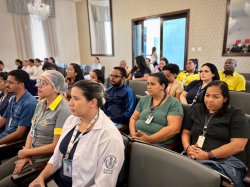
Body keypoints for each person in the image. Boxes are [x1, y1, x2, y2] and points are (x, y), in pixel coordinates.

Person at [29, 80, 124, 187]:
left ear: (92, 102)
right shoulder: (72, 120)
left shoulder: (110, 137)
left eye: (76, 98)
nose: (70, 103)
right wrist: (40, 177)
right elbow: (57, 157)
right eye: (71, 97)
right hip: (57, 181)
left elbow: (105, 184)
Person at [0, 70, 71, 186]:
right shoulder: (41, 104)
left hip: (43, 161)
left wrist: (28, 152)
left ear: (56, 88)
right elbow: (31, 132)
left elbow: (56, 146)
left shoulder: (63, 110)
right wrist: (26, 153)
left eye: (44, 83)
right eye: (39, 82)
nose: (38, 85)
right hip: (29, 154)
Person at [181, 80, 250, 187]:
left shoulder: (236, 114)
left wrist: (208, 155)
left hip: (227, 160)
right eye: (207, 95)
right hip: (195, 155)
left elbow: (238, 145)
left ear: (225, 98)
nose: (209, 100)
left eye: (216, 97)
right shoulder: (196, 109)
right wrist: (187, 148)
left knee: (197, 173)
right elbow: (185, 133)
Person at [129, 73, 183, 149]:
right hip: (137, 138)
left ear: (162, 86)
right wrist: (133, 134)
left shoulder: (174, 103)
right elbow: (133, 118)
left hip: (158, 143)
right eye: (148, 84)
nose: (148, 87)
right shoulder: (144, 99)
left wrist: (149, 139)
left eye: (153, 84)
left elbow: (174, 129)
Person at [0, 70, 37, 144]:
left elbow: (19, 133)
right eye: (7, 82)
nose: (7, 85)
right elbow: (4, 119)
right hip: (4, 136)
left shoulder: (29, 103)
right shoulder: (13, 98)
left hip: (13, 143)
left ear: (21, 84)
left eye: (10, 83)